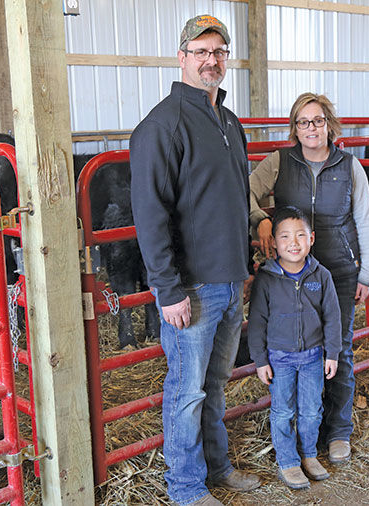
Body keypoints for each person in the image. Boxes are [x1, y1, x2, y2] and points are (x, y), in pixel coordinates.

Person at [130, 14, 260, 506]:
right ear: (181, 56)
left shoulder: (228, 121)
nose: (211, 60)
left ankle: (217, 467)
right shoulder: (162, 126)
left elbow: (233, 199)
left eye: (219, 52)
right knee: (186, 392)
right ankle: (185, 488)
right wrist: (168, 289)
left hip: (229, 280)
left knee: (215, 385)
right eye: (201, 51)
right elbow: (150, 214)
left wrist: (243, 268)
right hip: (192, 288)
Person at [249, 92, 369, 464]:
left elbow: (365, 219)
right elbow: (247, 192)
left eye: (318, 121)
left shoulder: (350, 166)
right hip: (289, 273)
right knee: (295, 349)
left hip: (337, 269)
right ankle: (301, 433)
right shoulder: (279, 161)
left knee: (338, 348)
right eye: (303, 122)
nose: (311, 128)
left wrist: (367, 270)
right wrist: (261, 220)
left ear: (329, 125)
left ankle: (337, 431)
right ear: (294, 128)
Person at [247, 206, 341, 490]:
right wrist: (260, 360)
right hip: (279, 359)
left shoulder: (321, 275)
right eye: (285, 236)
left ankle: (309, 455)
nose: (294, 243)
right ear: (273, 242)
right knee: (283, 411)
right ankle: (288, 461)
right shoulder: (266, 279)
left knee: (312, 410)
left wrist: (332, 353)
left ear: (311, 238)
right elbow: (257, 322)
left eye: (300, 235)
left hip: (313, 355)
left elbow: (333, 316)